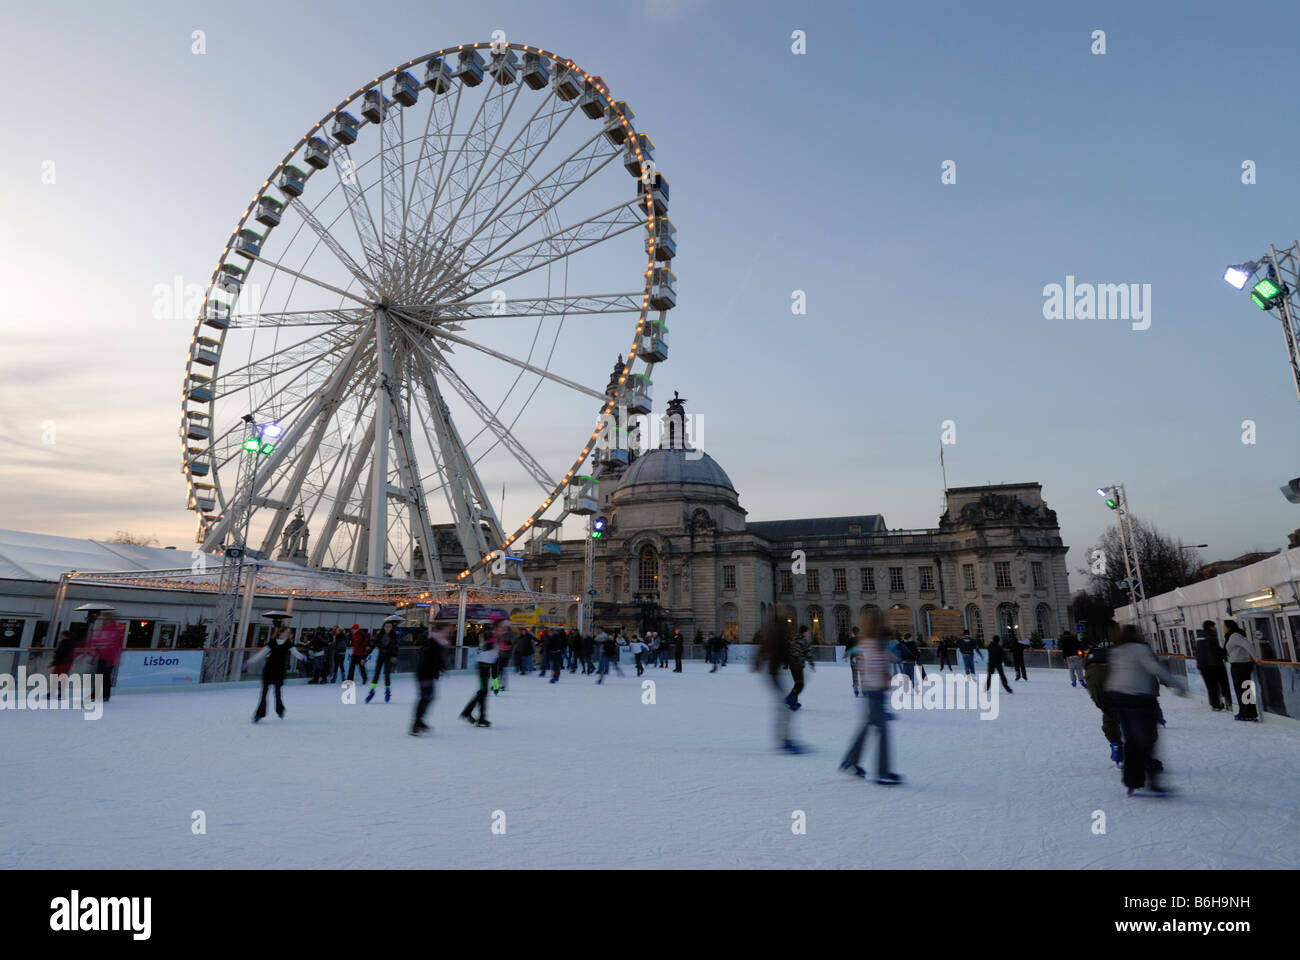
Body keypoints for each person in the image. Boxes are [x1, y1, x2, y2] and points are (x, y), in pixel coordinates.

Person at [1104, 624, 1187, 795]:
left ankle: (1132, 780)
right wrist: (1176, 684)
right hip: (1138, 698)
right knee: (1147, 739)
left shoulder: (1117, 650)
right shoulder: (1140, 649)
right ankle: (1153, 779)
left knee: (1132, 740)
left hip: (1119, 697)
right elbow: (1155, 668)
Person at [840, 610, 903, 785]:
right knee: (882, 731)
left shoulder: (867, 642)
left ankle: (850, 761)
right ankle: (882, 771)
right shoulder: (873, 643)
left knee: (868, 726)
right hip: (875, 691)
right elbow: (876, 665)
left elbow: (873, 662)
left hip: (873, 690)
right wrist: (887, 678)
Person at [753, 618, 803, 754]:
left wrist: (757, 662)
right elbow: (784, 654)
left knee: (783, 708)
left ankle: (784, 739)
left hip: (773, 674)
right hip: (773, 674)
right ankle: (784, 740)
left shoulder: (775, 637)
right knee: (784, 708)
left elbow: (765, 650)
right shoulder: (778, 638)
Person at [248, 626, 307, 722]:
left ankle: (280, 710)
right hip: (269, 669)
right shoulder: (272, 642)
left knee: (277, 692)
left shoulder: (288, 643)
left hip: (279, 670)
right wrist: (250, 661)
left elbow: (295, 653)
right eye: (287, 632)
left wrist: (302, 657)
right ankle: (259, 714)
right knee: (264, 693)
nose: (288, 634)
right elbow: (262, 653)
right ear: (280, 633)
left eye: (289, 632)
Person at [460, 616, 507, 727]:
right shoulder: (491, 633)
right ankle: (477, 716)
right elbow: (487, 645)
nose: (504, 628)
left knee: (482, 692)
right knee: (483, 692)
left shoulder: (497, 634)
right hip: (483, 666)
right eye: (502, 626)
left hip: (487, 665)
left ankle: (471, 713)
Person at [411, 624, 449, 736]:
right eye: (446, 631)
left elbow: (438, 659)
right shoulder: (433, 642)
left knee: (429, 697)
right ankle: (416, 724)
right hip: (424, 674)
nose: (447, 634)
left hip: (429, 674)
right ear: (439, 631)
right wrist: (439, 666)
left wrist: (442, 668)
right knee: (425, 697)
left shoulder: (439, 643)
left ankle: (419, 721)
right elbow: (428, 657)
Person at [84, 614, 125, 704]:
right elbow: (98, 646)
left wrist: (114, 659)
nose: (105, 622)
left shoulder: (115, 631)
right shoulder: (102, 630)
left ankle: (100, 695)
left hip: (109, 659)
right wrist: (93, 657)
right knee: (102, 676)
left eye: (108, 621)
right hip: (102, 658)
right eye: (105, 621)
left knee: (104, 677)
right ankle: (102, 695)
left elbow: (116, 646)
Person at [1223, 620, 1259, 721]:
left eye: (1224, 626)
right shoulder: (1231, 636)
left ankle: (1249, 714)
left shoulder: (1235, 636)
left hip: (1241, 665)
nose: (1223, 628)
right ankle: (1245, 712)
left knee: (1243, 689)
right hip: (1239, 665)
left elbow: (1248, 645)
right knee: (1242, 689)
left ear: (1229, 627)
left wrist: (1256, 658)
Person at [1194, 621, 1231, 711]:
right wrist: (1225, 654)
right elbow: (1215, 649)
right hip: (1214, 665)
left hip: (1202, 665)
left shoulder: (1200, 635)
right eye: (1214, 626)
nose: (1215, 628)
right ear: (1210, 627)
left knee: (1211, 686)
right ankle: (1229, 702)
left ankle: (1215, 705)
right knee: (1224, 684)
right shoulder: (1211, 635)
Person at [366, 617, 402, 703]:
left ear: (392, 628)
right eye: (386, 626)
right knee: (376, 674)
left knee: (387, 674)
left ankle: (387, 691)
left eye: (389, 627)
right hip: (381, 656)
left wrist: (394, 655)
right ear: (384, 627)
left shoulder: (394, 636)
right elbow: (372, 645)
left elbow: (396, 647)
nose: (388, 628)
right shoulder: (379, 635)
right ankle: (372, 691)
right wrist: (365, 655)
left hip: (388, 657)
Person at [786, 625, 814, 710]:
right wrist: (811, 663)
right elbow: (808, 653)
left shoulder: (793, 639)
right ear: (804, 632)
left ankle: (793, 702)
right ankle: (789, 699)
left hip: (791, 664)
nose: (808, 634)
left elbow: (788, 650)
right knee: (800, 684)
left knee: (797, 683)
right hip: (797, 664)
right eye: (808, 632)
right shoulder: (804, 641)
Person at [49, 630, 81, 705]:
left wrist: (55, 661)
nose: (60, 636)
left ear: (65, 636)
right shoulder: (69, 643)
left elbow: (61, 654)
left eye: (61, 634)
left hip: (63, 662)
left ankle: (59, 693)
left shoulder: (66, 643)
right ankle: (56, 693)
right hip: (65, 662)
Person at [848, 626, 863, 696]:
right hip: (861, 658)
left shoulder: (850, 640)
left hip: (853, 658)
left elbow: (847, 650)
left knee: (854, 674)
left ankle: (855, 687)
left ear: (852, 632)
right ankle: (864, 688)